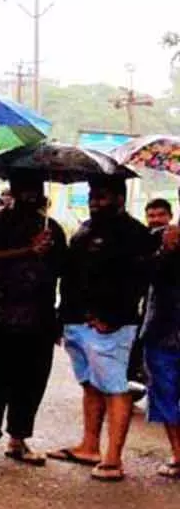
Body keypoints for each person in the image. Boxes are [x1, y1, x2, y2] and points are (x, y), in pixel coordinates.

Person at [49, 177, 155, 482]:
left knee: (115, 388)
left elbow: (138, 280)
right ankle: (89, 447)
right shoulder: (85, 229)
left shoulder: (134, 233)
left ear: (120, 198)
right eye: (92, 197)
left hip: (110, 326)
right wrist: (62, 316)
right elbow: (69, 274)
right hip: (76, 321)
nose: (95, 202)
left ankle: (113, 459)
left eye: (103, 197)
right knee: (91, 385)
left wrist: (114, 317)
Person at [0, 172, 67, 469]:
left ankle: (18, 440)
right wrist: (28, 250)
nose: (30, 193)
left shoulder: (53, 229)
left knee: (31, 383)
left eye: (35, 187)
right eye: (24, 187)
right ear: (12, 189)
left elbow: (64, 270)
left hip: (38, 318)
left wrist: (49, 251)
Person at [145, 214, 180, 478]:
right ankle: (178, 454)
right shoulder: (159, 237)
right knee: (165, 394)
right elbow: (147, 275)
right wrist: (166, 249)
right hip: (164, 330)